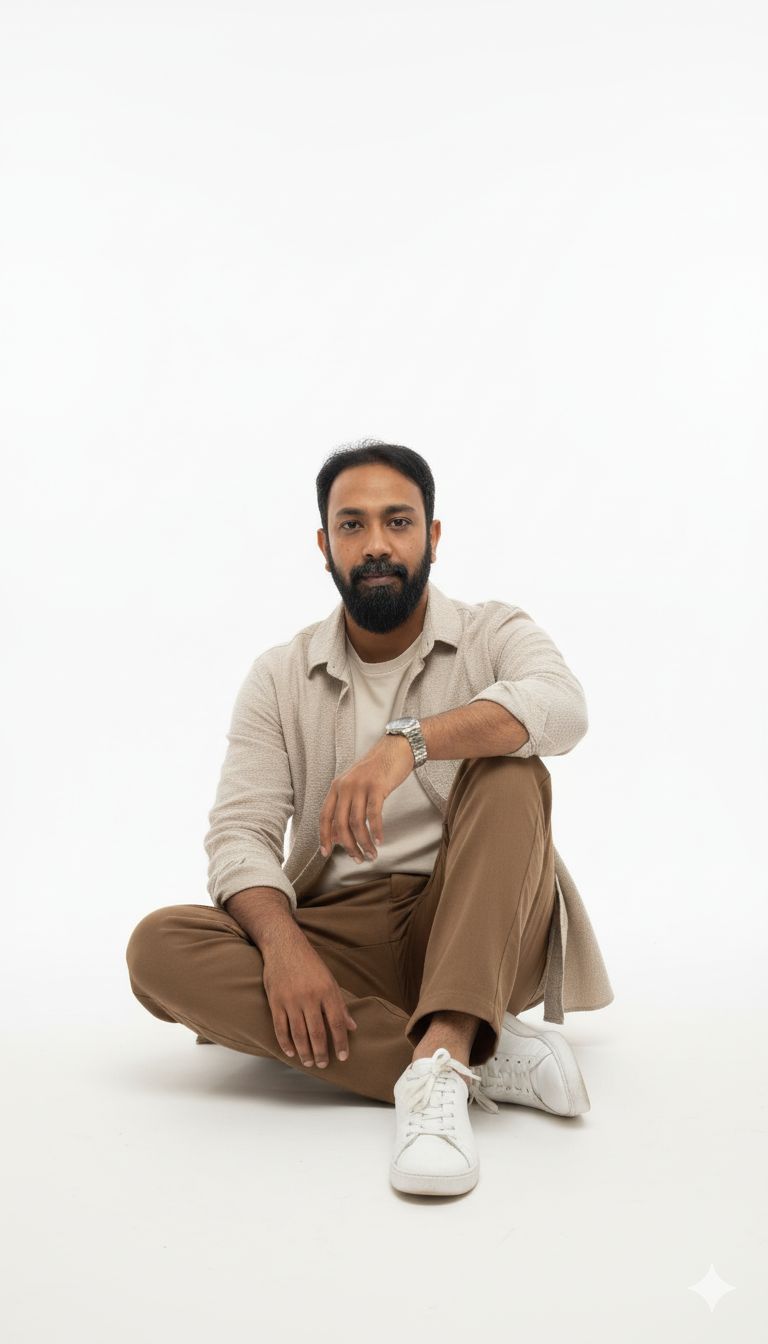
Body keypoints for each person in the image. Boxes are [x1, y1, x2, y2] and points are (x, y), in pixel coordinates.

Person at [125, 439, 613, 1198]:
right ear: (324, 544)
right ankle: (466, 1056)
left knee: (512, 769)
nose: (377, 544)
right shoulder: (280, 675)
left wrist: (408, 744)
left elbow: (563, 708)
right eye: (352, 525)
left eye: (398, 521)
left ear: (433, 536)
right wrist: (284, 947)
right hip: (338, 937)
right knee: (159, 948)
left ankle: (446, 1043)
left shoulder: (491, 632)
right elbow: (240, 833)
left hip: (476, 921)